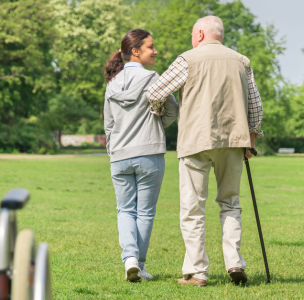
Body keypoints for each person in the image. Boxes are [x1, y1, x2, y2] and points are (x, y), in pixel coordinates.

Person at [146, 16, 264, 287]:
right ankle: (234, 262)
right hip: (234, 141)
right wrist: (252, 140)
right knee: (230, 203)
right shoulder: (241, 60)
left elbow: (155, 92)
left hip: (195, 141)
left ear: (199, 34)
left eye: (191, 34)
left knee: (192, 209)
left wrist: (162, 115)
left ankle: (198, 272)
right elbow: (255, 105)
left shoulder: (187, 59)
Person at [103, 29, 179, 282]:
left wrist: (115, 150)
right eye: (150, 47)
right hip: (150, 153)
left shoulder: (112, 83)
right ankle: (141, 266)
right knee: (145, 212)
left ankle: (130, 260)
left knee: (125, 210)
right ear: (135, 51)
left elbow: (109, 125)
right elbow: (172, 111)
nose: (155, 51)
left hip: (119, 155)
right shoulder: (153, 78)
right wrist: (156, 126)